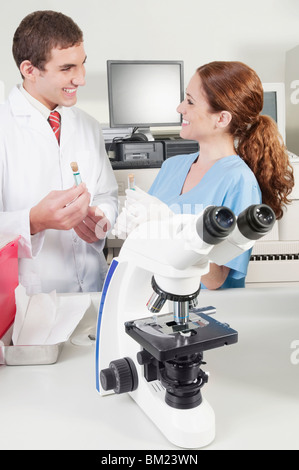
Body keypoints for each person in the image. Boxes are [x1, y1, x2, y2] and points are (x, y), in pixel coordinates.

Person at [114, 61, 294, 289]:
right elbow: (148, 246)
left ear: (222, 119)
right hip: (153, 301)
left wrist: (167, 226)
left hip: (201, 314)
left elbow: (216, 279)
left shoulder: (239, 181)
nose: (180, 108)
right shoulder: (172, 166)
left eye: (190, 101)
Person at [0, 10, 118, 294]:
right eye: (67, 69)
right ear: (29, 70)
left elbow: (107, 195)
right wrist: (33, 220)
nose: (81, 79)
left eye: (82, 65)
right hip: (29, 297)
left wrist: (101, 217)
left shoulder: (87, 125)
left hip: (91, 288)